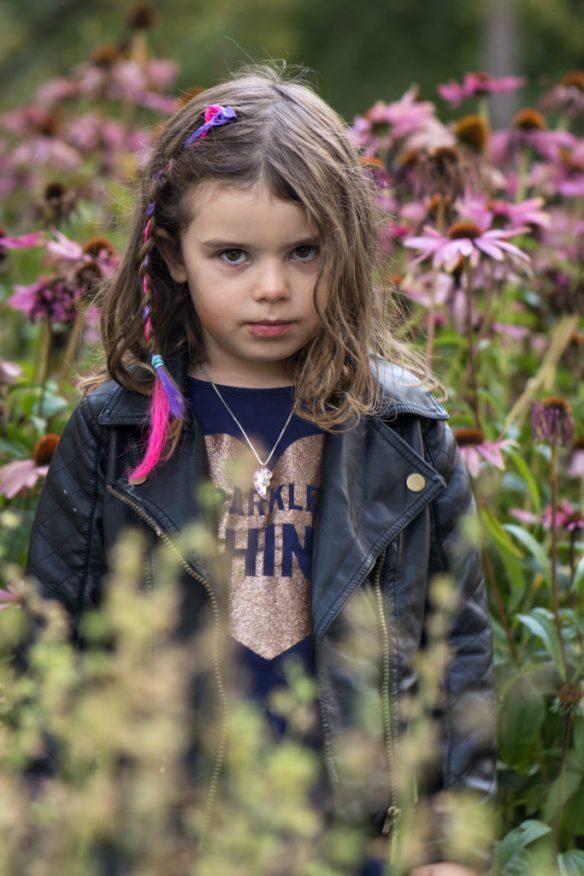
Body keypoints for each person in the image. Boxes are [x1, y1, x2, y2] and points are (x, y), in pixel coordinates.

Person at [25, 62, 497, 875]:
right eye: (234, 255)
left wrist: (453, 844)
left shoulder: (406, 433)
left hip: (355, 844)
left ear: (343, 247)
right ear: (173, 254)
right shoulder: (113, 434)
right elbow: (45, 650)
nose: (273, 288)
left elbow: (457, 650)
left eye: (304, 252)